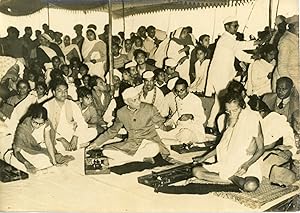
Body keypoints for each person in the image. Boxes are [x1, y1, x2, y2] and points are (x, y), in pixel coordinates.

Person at [193, 92, 264, 192]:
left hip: (245, 163)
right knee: (196, 172)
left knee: (251, 185)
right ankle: (232, 178)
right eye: (228, 111)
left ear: (242, 106)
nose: (231, 114)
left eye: (235, 110)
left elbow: (261, 149)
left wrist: (246, 165)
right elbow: (222, 146)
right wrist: (203, 157)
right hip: (227, 163)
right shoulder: (228, 119)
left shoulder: (252, 119)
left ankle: (229, 178)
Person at [87, 87, 171, 166]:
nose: (138, 101)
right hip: (131, 143)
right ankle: (140, 158)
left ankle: (115, 162)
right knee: (106, 151)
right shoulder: (121, 112)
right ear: (127, 102)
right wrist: (96, 142)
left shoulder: (149, 108)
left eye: (138, 98)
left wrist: (170, 124)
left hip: (149, 141)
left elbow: (162, 123)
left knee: (154, 148)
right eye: (134, 100)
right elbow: (112, 131)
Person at [205, 16, 261, 133]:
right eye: (234, 26)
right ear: (226, 27)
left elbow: (240, 55)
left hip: (224, 75)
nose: (237, 28)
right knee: (225, 101)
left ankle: (210, 125)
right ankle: (222, 127)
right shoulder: (225, 39)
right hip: (219, 75)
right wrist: (256, 42)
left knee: (218, 101)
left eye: (237, 25)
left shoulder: (231, 40)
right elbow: (239, 46)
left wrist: (254, 59)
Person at [12, 104, 74, 173]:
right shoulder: (23, 128)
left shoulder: (46, 123)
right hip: (25, 150)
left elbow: (48, 142)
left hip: (38, 147)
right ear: (31, 117)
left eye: (40, 123)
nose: (37, 126)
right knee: (18, 163)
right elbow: (16, 151)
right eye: (35, 122)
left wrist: (54, 162)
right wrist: (27, 163)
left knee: (48, 158)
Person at [43, 79, 97, 152]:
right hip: (56, 136)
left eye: (65, 91)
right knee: (45, 141)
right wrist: (62, 139)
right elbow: (45, 127)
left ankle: (71, 146)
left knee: (93, 132)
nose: (63, 93)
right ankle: (77, 146)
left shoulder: (71, 104)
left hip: (70, 134)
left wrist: (75, 137)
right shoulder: (46, 106)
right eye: (59, 91)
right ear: (54, 92)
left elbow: (81, 123)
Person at [158, 78, 206, 144]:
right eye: (177, 91)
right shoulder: (177, 99)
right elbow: (178, 113)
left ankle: (176, 143)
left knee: (185, 134)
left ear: (187, 89)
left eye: (182, 90)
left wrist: (191, 116)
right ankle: (176, 143)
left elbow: (203, 119)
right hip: (180, 128)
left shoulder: (195, 100)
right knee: (158, 132)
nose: (180, 93)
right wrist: (169, 122)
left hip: (194, 130)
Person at [277, 15, 299, 93]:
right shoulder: (286, 41)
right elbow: (282, 67)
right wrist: (290, 85)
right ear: (294, 27)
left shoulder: (295, 38)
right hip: (293, 80)